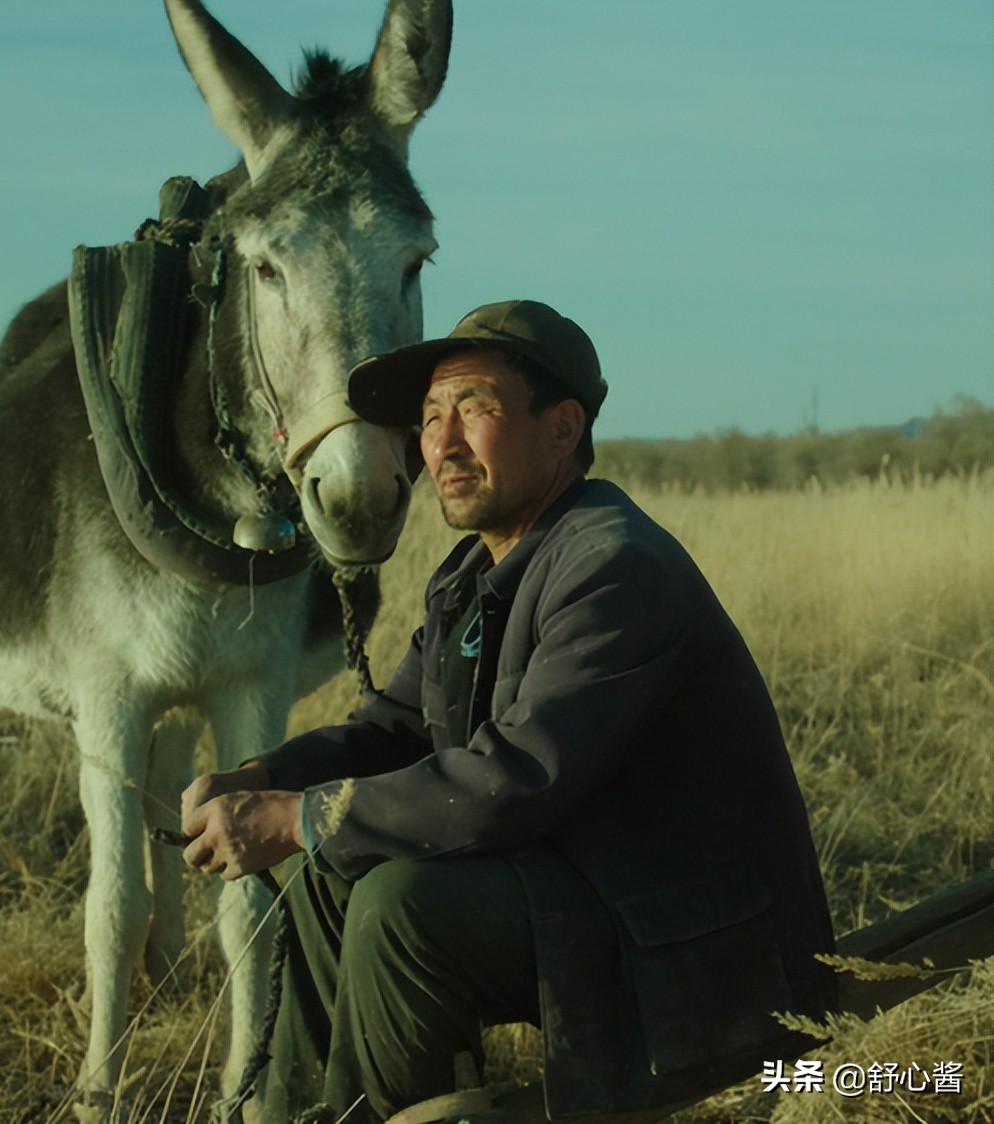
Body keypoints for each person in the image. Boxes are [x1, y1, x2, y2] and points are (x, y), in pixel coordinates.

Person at [181, 301, 836, 1123]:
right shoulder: (476, 573)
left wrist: (297, 815)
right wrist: (264, 777)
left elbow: (516, 778)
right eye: (428, 418)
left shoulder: (613, 566)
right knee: (326, 873)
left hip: (690, 933)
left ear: (563, 430)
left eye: (477, 410)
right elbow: (394, 730)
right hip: (584, 887)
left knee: (401, 910)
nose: (442, 443)